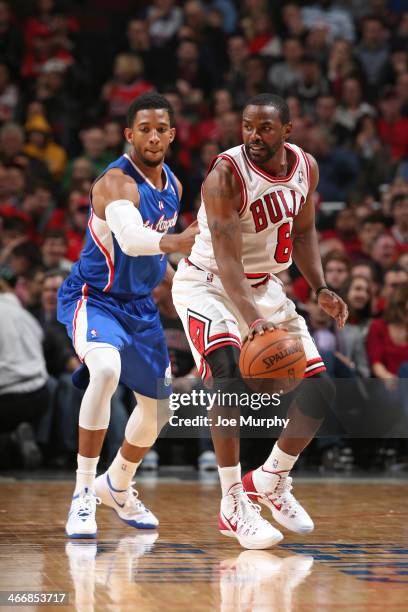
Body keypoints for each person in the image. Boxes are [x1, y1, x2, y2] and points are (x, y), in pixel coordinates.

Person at [172, 93, 348, 549]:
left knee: (321, 388)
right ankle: (232, 502)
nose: (254, 136)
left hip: (264, 285)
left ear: (287, 130)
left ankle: (271, 478)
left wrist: (320, 286)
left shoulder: (305, 167)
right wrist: (253, 322)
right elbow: (228, 261)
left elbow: (305, 231)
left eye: (265, 128)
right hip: (208, 285)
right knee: (227, 376)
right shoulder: (226, 175)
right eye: (248, 127)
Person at [57, 93, 198, 538]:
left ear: (172, 135)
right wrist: (181, 242)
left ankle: (116, 483)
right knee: (105, 370)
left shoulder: (172, 186)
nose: (153, 137)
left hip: (140, 308)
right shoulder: (115, 183)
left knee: (161, 409)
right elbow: (135, 240)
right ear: (129, 134)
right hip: (94, 298)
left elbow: (164, 253)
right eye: (144, 129)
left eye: (161, 129)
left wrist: (194, 276)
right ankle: (82, 492)